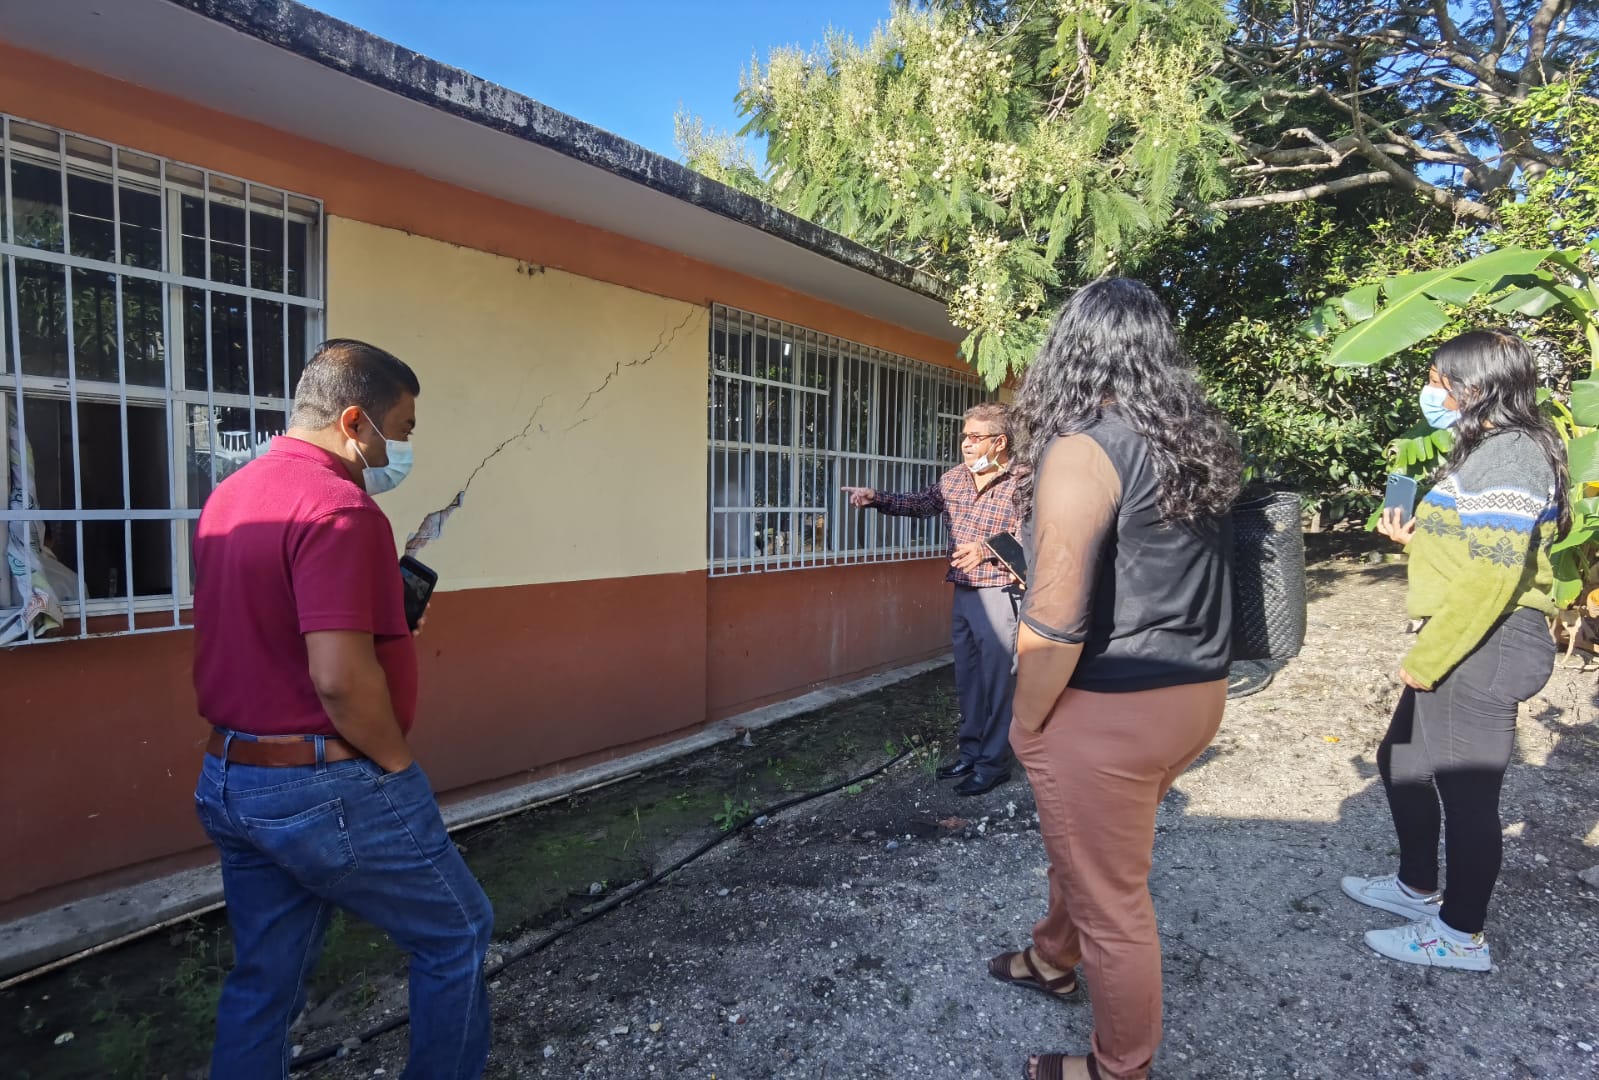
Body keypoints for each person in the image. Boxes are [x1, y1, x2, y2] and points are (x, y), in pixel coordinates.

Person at [191, 339, 494, 1079]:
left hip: (232, 776)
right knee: (455, 932)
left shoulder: (231, 497)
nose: (404, 447)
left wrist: (383, 614)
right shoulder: (340, 508)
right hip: (324, 781)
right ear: (355, 422)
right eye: (405, 429)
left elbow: (269, 627)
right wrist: (396, 764)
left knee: (267, 979)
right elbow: (336, 678)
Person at [997, 278, 1240, 1080]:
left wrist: (1026, 721)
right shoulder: (1188, 443)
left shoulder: (1083, 447)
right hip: (1193, 696)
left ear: (1069, 349)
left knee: (1115, 908)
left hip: (1111, 710)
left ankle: (1116, 1070)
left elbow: (1055, 619)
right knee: (1088, 851)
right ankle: (1047, 958)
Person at [1342, 329, 1564, 971]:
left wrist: (1429, 657)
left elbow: (1494, 577)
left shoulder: (1513, 453)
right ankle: (1417, 888)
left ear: (1479, 384)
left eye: (1442, 379)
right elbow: (1483, 552)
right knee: (1402, 759)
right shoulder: (1491, 450)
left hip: (1488, 643)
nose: (1433, 391)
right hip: (1468, 634)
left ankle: (1460, 933)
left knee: (1467, 795)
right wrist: (1419, 542)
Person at [842, 401, 1023, 796]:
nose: (966, 445)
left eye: (975, 437)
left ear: (1000, 442)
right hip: (963, 591)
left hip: (1000, 593)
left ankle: (994, 764)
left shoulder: (1024, 482)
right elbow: (921, 504)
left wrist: (988, 548)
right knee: (968, 679)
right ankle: (971, 752)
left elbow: (1041, 534)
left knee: (997, 683)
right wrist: (876, 498)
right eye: (964, 437)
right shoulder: (956, 479)